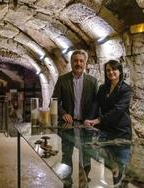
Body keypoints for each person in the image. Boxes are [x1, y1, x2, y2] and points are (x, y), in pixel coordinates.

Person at [52, 49, 98, 187]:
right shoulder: (62, 80)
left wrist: (90, 119)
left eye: (81, 61)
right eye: (75, 60)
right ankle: (67, 183)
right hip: (68, 126)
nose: (78, 63)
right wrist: (63, 113)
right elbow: (54, 101)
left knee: (86, 156)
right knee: (66, 155)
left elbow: (96, 103)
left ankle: (84, 180)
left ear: (85, 63)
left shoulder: (92, 81)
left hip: (86, 126)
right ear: (71, 62)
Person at [84, 59, 132, 186]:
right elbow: (96, 104)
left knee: (121, 164)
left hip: (121, 132)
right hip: (106, 132)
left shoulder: (126, 89)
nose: (111, 72)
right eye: (108, 70)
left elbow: (118, 110)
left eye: (114, 69)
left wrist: (98, 120)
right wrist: (88, 120)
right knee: (110, 165)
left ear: (120, 71)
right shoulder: (103, 88)